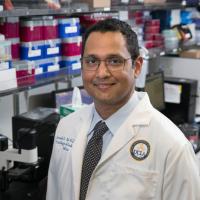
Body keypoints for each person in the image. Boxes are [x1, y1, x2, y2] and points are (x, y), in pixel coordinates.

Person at [46, 18, 200, 200]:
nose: (101, 73)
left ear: (137, 66)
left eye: (114, 61)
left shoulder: (173, 146)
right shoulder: (66, 127)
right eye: (91, 61)